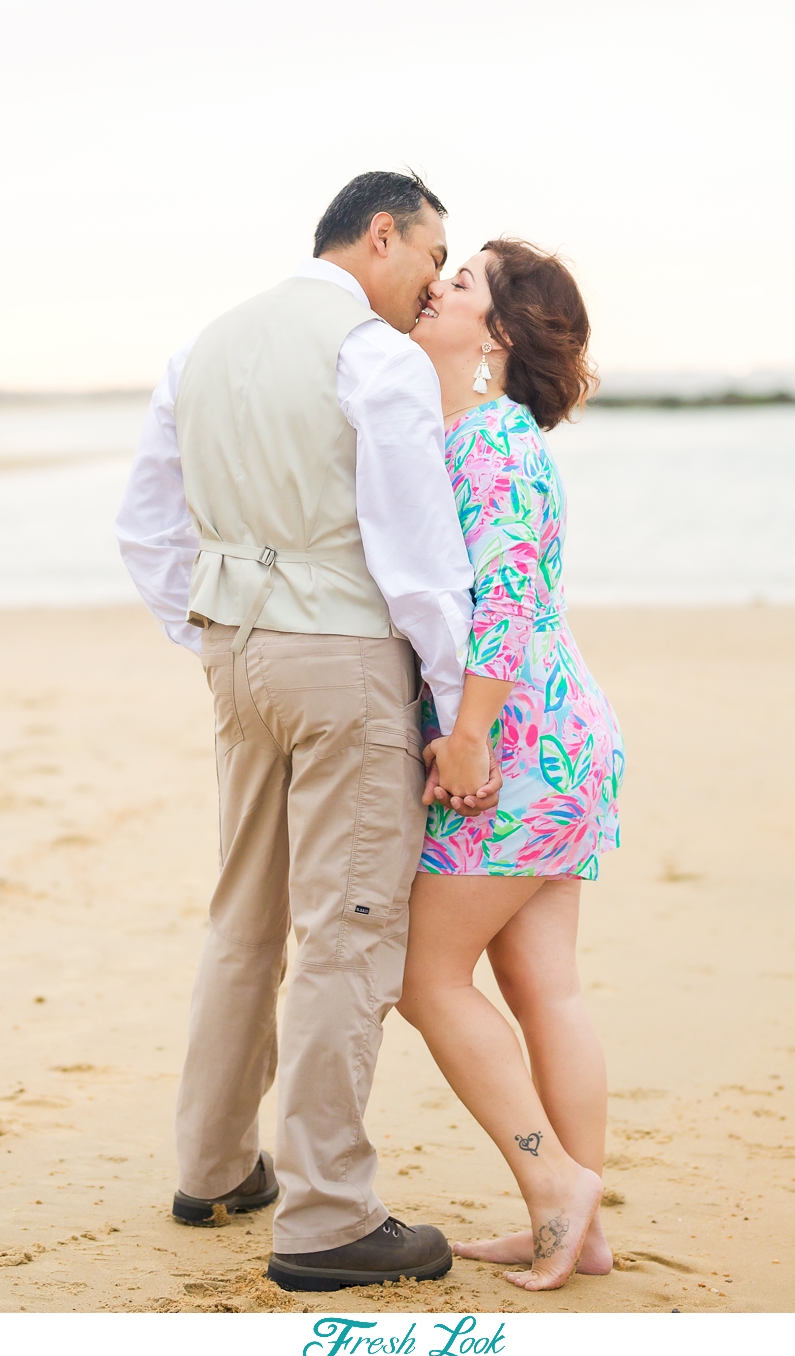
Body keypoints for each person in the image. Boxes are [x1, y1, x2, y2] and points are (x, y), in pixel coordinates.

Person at [115, 171, 499, 1292]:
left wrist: (221, 633)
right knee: (349, 924)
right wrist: (448, 702)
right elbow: (420, 555)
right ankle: (327, 1211)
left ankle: (218, 1166)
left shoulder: (205, 345)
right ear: (384, 234)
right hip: (340, 659)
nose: (432, 284)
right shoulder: (371, 356)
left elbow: (147, 526)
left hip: (239, 654)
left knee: (246, 908)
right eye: (431, 259)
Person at [398, 238, 626, 1291]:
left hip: (519, 746)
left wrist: (472, 735)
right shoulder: (486, 433)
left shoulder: (487, 442)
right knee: (544, 987)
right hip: (565, 739)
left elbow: (504, 600)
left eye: (463, 280)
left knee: (424, 976)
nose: (438, 284)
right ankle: (580, 1227)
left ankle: (554, 1187)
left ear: (496, 331)